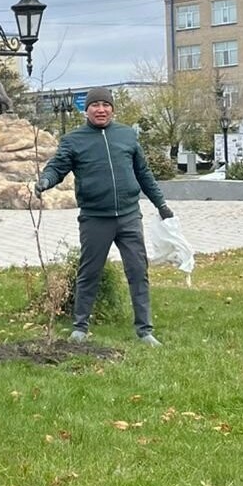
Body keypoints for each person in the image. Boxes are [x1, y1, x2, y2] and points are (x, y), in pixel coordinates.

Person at [32, 87, 174, 345]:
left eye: (105, 105)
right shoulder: (74, 140)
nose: (101, 109)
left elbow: (143, 173)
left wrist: (161, 204)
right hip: (95, 218)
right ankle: (80, 327)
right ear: (86, 110)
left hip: (130, 216)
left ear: (112, 108)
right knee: (90, 271)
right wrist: (45, 181)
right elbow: (58, 166)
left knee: (138, 270)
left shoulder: (127, 135)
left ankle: (145, 330)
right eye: (95, 105)